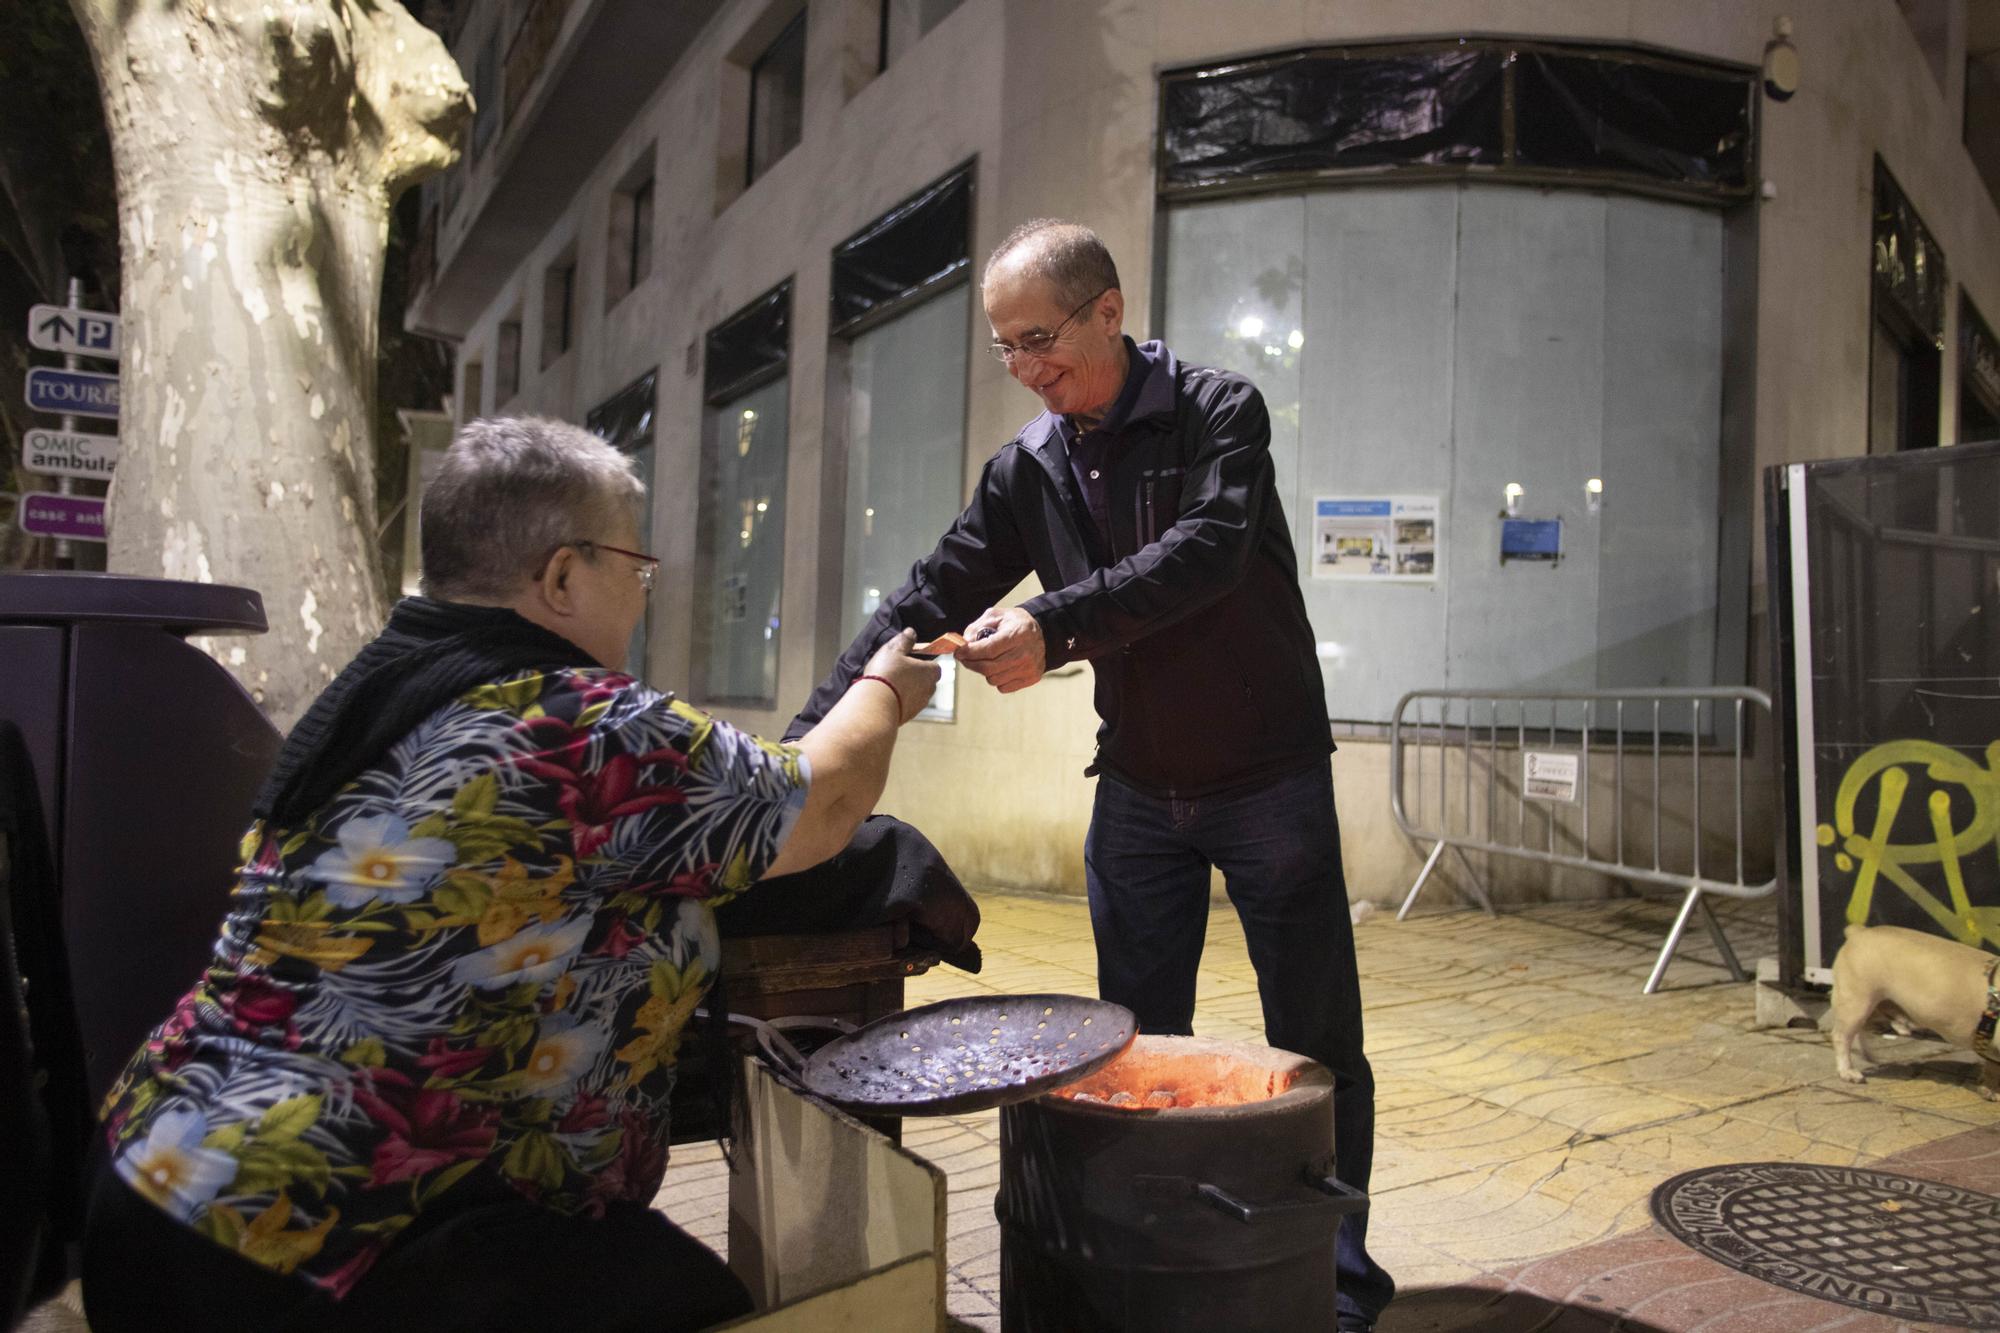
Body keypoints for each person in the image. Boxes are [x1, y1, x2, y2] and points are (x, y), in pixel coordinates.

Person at [82, 417, 939, 1333]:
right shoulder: (575, 719)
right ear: (564, 574)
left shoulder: (389, 686)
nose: (643, 598)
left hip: (154, 1188)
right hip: (312, 1244)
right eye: (636, 571)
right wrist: (885, 687)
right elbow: (825, 803)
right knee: (691, 1301)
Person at [789, 219, 1393, 1330]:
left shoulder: (1220, 411)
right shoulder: (1026, 467)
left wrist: (1053, 624)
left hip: (1270, 782)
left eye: (1039, 339)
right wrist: (803, 744)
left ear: (1107, 311)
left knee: (1316, 1038)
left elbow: (1205, 553)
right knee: (1128, 1043)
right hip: (1137, 793)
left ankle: (1337, 1276)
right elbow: (925, 593)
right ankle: (1145, 1263)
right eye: (1004, 348)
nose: (1024, 368)